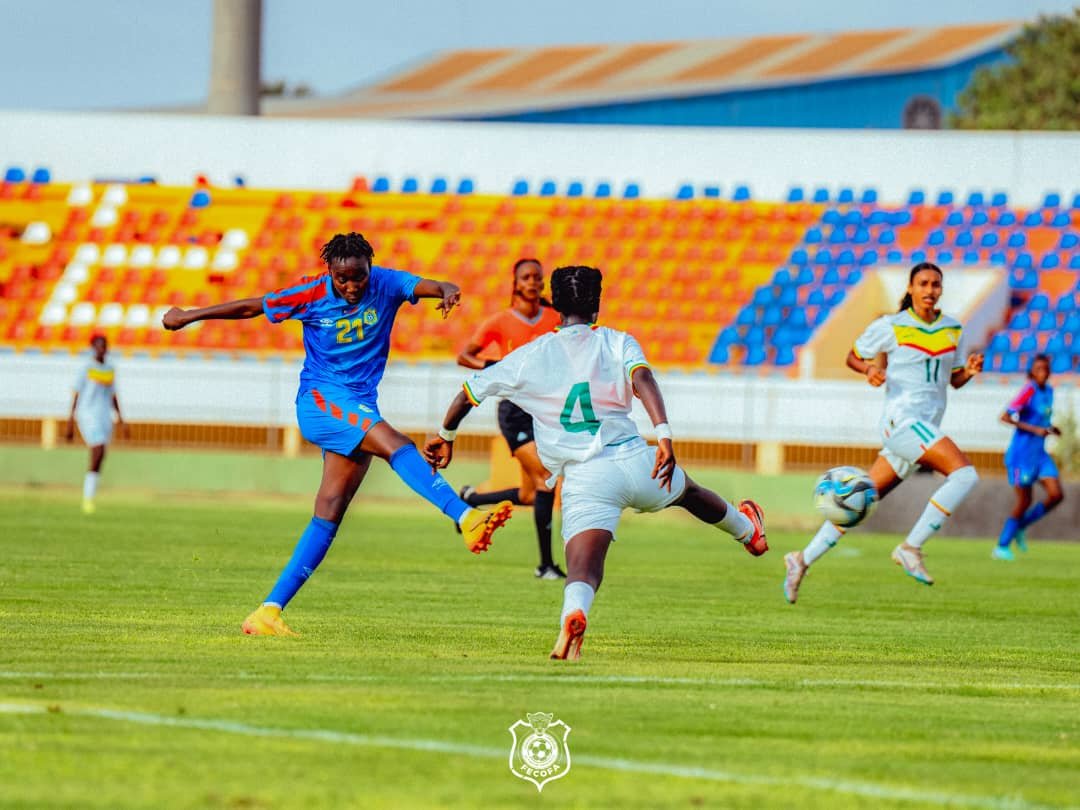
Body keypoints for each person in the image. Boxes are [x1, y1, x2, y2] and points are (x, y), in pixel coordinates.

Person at [162, 232, 513, 636]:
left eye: (358, 278)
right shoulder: (310, 293)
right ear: (329, 270)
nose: (351, 287)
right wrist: (190, 315)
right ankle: (466, 516)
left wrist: (447, 289)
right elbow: (252, 307)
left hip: (358, 406)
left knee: (330, 510)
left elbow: (427, 285)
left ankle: (268, 612)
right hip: (321, 400)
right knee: (396, 445)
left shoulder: (386, 283)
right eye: (342, 278)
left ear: (370, 269)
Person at [424, 265, 767, 661]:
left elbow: (468, 393)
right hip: (637, 459)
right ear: (597, 304)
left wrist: (445, 436)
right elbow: (644, 381)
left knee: (583, 566)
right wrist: (665, 435)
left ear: (555, 308)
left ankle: (574, 614)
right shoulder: (617, 341)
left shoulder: (530, 355)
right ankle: (748, 533)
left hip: (586, 477)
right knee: (688, 491)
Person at [783, 262, 984, 603]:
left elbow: (952, 380)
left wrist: (970, 372)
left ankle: (801, 559)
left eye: (936, 284)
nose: (930, 290)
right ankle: (911, 547)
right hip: (901, 421)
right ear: (909, 289)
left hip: (924, 429)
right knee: (964, 475)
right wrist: (869, 369)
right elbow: (853, 356)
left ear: (941, 290)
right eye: (923, 283)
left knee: (858, 502)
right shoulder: (892, 326)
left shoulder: (953, 329)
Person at [455, 258, 565, 580]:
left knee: (531, 494)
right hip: (515, 412)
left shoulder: (554, 319)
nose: (532, 282)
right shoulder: (500, 321)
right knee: (546, 478)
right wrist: (494, 366)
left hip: (545, 412)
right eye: (526, 277)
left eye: (537, 277)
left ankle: (470, 499)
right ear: (516, 283)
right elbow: (465, 355)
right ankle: (546, 566)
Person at [994, 353, 1064, 560]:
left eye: (1045, 368)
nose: (1043, 372)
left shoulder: (1049, 391)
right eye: (1038, 369)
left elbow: (1041, 420)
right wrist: (1034, 430)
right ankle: (1001, 546)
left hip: (1039, 454)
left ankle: (1020, 526)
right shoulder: (1028, 390)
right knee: (1025, 501)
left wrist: (1051, 428)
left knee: (1056, 495)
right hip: (1021, 454)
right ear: (1032, 372)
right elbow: (1005, 417)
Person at [65, 333, 126, 514]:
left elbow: (113, 395)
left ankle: (89, 496)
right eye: (99, 345)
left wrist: (121, 419)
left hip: (104, 416)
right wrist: (70, 420)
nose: (102, 348)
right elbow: (76, 393)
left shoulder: (110, 368)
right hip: (88, 414)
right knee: (98, 449)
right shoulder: (86, 368)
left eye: (105, 345)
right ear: (93, 347)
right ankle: (87, 498)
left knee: (100, 456)